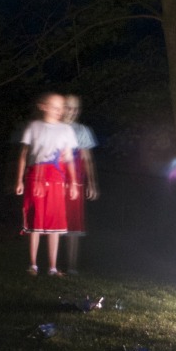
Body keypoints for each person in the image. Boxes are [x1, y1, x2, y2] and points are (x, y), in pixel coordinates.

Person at [16, 92, 79, 276]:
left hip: (56, 179)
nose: (59, 110)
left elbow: (68, 159)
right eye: (54, 106)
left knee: (55, 222)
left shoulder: (66, 130)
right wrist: (19, 180)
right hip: (36, 177)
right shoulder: (34, 127)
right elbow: (23, 155)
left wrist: (74, 183)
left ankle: (52, 267)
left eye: (61, 107)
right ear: (43, 106)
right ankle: (33, 265)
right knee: (35, 220)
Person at [62, 94, 99, 275]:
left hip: (74, 183)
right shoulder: (53, 128)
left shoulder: (82, 130)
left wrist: (92, 184)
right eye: (69, 107)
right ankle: (46, 264)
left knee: (73, 224)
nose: (73, 112)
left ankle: (71, 266)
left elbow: (88, 159)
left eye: (76, 108)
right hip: (53, 181)